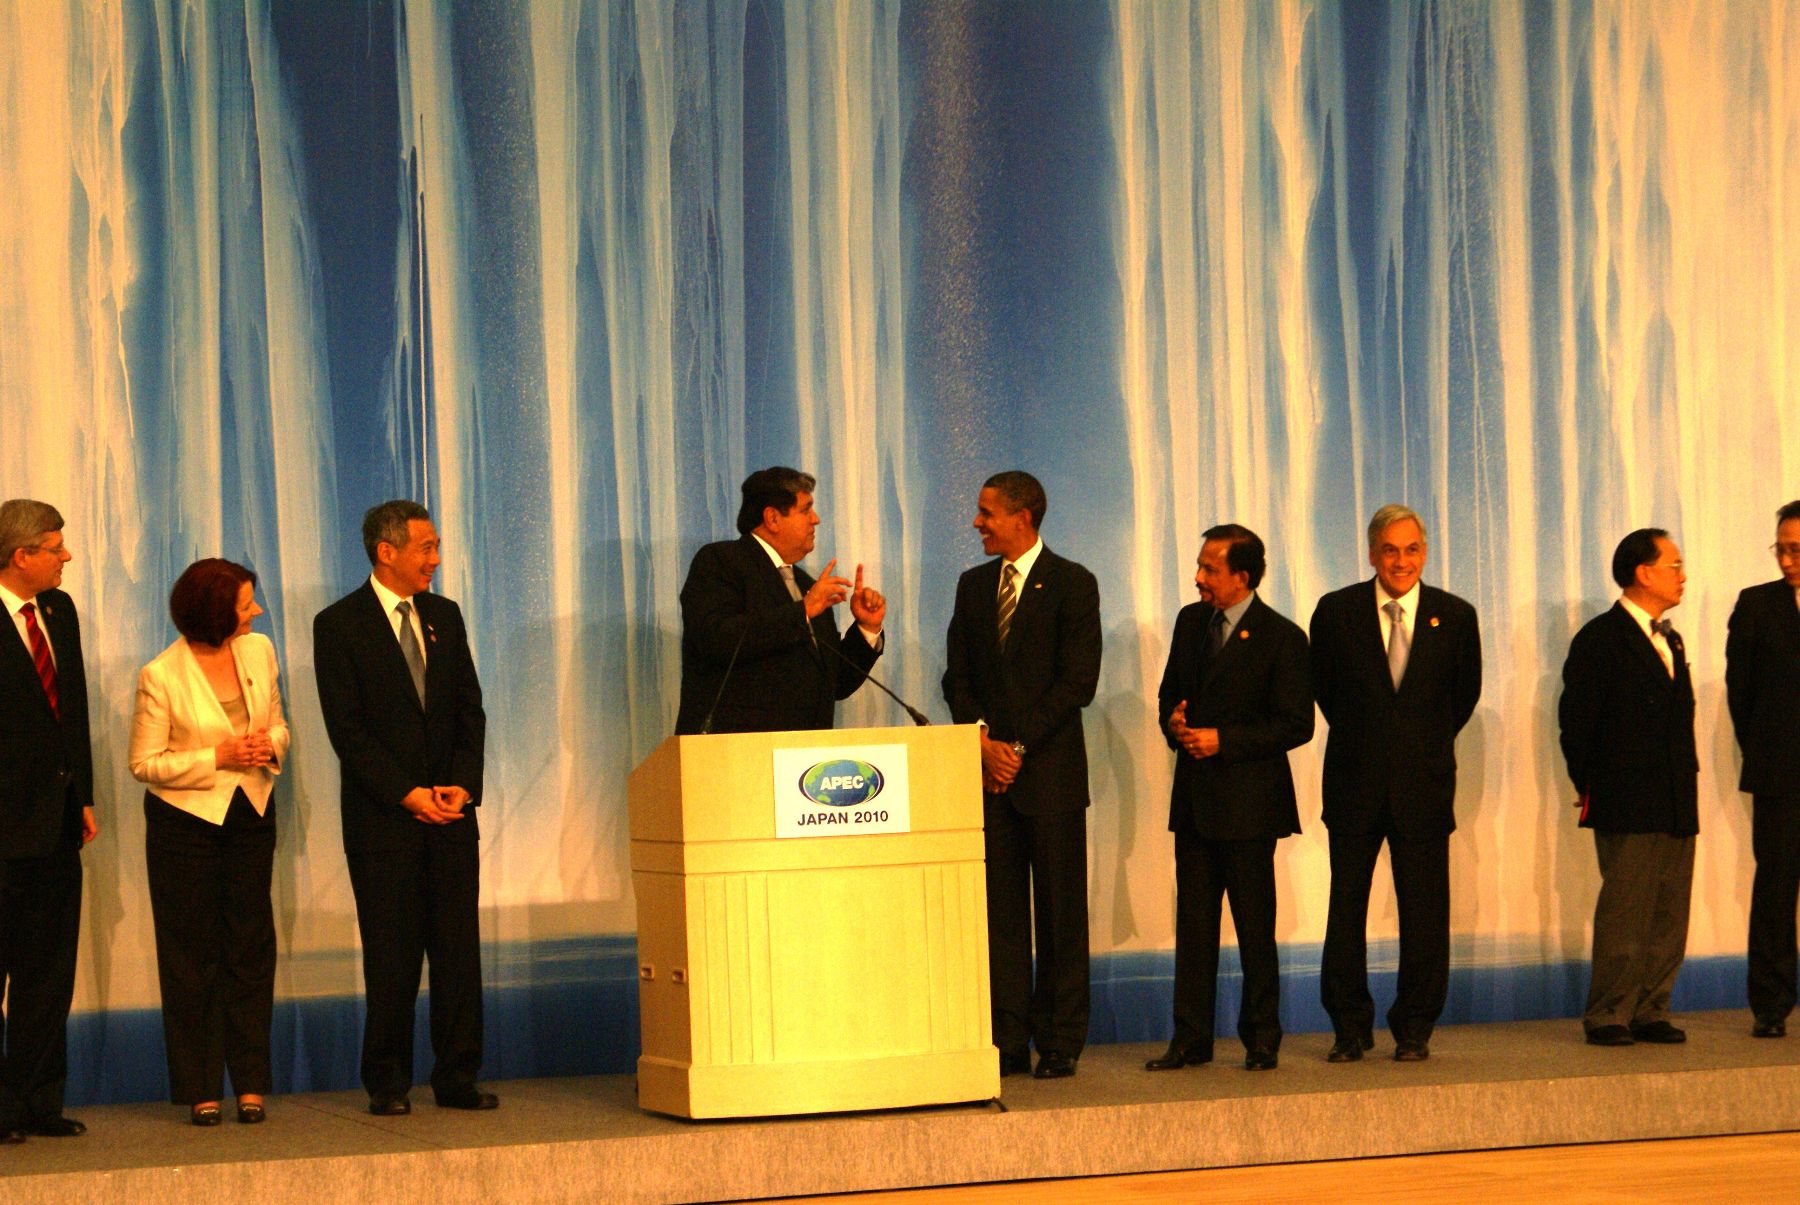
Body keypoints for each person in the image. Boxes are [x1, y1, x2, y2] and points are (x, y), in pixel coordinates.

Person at [313, 501, 493, 1115]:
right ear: (387, 551)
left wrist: (463, 786)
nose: (436, 560)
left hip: (450, 816)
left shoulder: (445, 616)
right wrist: (406, 793)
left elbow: (470, 711)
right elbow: (349, 732)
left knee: (457, 955)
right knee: (391, 959)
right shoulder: (338, 624)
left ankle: (457, 1077)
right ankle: (387, 1083)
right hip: (383, 822)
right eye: (426, 548)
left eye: (437, 546)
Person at [943, 472, 1100, 1080]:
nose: (977, 523)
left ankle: (1060, 1041)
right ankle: (1007, 1038)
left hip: (1050, 777)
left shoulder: (1072, 583)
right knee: (1001, 917)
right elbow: (957, 678)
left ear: (1023, 517)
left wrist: (1017, 746)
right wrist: (982, 743)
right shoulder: (973, 585)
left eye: (986, 513)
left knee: (1061, 914)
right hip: (990, 779)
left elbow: (1076, 683)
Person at [1310, 505, 1481, 1062]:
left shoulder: (1455, 616)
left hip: (1424, 789)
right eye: (1390, 549)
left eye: (1411, 549)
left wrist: (1413, 745)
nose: (1401, 560)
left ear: (1424, 553)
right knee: (1346, 910)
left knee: (1425, 914)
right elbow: (1328, 694)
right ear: (1371, 553)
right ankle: (1349, 1027)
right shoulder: (1336, 613)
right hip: (1354, 785)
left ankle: (1415, 1028)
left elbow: (1461, 699)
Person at [128, 559, 288, 1125]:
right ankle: (200, 1086)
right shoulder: (161, 675)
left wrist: (268, 746)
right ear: (217, 611)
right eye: (246, 605)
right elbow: (144, 763)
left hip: (250, 814)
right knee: (192, 955)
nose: (257, 613)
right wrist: (216, 757)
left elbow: (279, 725)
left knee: (250, 947)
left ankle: (249, 1082)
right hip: (185, 826)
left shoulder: (258, 651)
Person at [1147, 524, 1311, 1073]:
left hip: (1248, 807)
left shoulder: (1282, 637)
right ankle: (1189, 1040)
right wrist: (1174, 723)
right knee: (1193, 928)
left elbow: (1296, 725)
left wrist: (1225, 741)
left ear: (1241, 577)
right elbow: (1172, 693)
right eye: (1199, 566)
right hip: (1194, 801)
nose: (1198, 578)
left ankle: (1262, 1038)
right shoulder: (1191, 623)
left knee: (1253, 928)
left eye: (1209, 569)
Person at [1559, 528, 1698, 1047]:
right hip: (1627, 797)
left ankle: (1651, 1008)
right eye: (1674, 565)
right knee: (1626, 909)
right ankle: (1609, 1012)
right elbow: (1576, 721)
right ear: (1644, 572)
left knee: (1668, 909)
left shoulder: (1671, 637)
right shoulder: (1601, 638)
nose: (1682, 576)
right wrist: (1587, 781)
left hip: (1676, 797)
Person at [0, 499, 97, 1143]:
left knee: (48, 974)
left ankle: (37, 1102)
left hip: (57, 825)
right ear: (21, 556)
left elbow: (74, 712)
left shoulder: (58, 612)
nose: (66, 556)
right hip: (3, 830)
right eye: (56, 546)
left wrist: (84, 795)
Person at [674, 466, 886, 734]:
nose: (816, 519)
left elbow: (834, 683)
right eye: (806, 509)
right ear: (773, 518)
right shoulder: (721, 562)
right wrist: (802, 611)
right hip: (734, 752)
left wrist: (867, 629)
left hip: (805, 764)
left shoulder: (807, 586)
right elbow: (717, 639)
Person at [1726, 500, 1800, 1038]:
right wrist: (1766, 750)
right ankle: (1770, 1005)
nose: (1787, 559)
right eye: (1782, 548)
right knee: (1775, 889)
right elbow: (1741, 694)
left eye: (1796, 549)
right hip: (1781, 774)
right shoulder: (1756, 605)